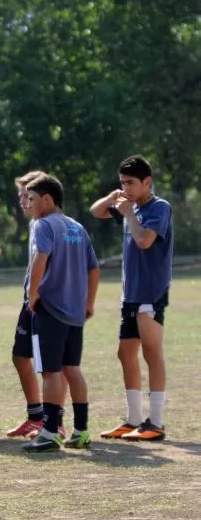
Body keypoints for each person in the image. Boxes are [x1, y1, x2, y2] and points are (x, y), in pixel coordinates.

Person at [91, 154, 173, 441]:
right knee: (125, 353)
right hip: (131, 294)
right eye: (122, 182)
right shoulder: (130, 205)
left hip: (151, 292)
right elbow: (96, 211)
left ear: (147, 182)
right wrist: (113, 196)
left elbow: (144, 241)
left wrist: (128, 214)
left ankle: (157, 422)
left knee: (152, 353)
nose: (126, 188)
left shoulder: (158, 208)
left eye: (131, 183)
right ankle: (134, 419)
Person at [20, 174, 100, 452]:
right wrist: (89, 302)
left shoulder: (44, 225)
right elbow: (94, 267)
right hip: (75, 311)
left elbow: (40, 258)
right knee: (72, 369)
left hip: (50, 309)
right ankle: (81, 430)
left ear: (47, 199)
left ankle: (51, 430)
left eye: (32, 198)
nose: (28, 203)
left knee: (51, 371)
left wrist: (32, 294)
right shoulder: (78, 227)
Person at [6, 171, 50, 438]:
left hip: (43, 303)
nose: (23, 201)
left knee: (47, 364)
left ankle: (54, 421)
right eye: (20, 196)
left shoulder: (50, 223)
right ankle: (35, 416)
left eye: (27, 196)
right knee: (20, 357)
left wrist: (36, 295)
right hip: (28, 300)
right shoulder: (35, 225)